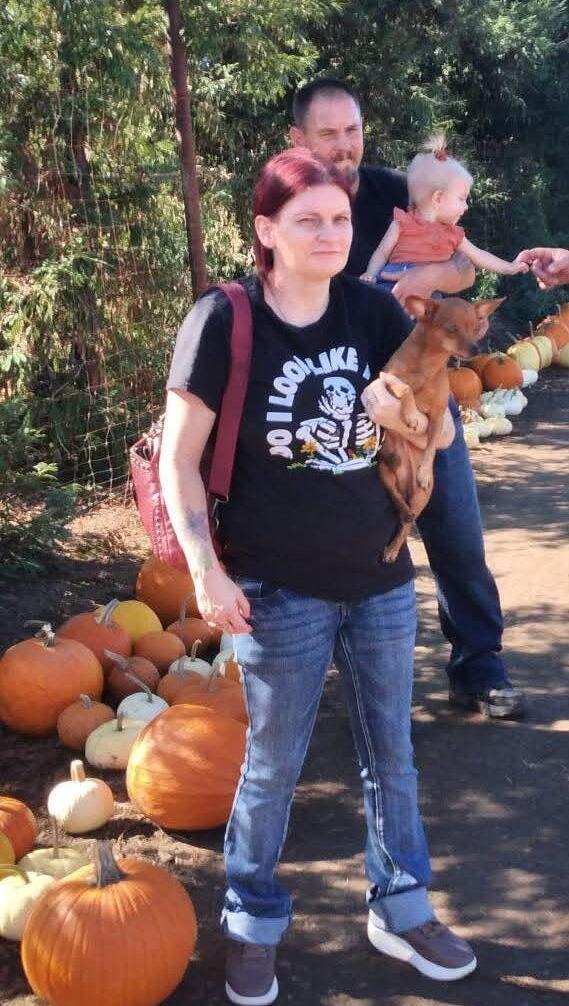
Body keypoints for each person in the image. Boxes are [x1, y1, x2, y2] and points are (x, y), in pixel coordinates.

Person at [160, 148, 477, 1006]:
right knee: (271, 766)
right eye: (309, 220)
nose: (331, 233)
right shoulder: (223, 320)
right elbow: (180, 460)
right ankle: (252, 921)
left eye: (339, 218)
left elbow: (441, 437)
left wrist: (403, 411)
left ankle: (401, 905)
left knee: (392, 756)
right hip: (275, 586)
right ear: (266, 230)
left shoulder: (372, 312)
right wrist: (205, 571)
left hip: (379, 577)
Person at [290, 78, 526, 720]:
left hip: (424, 392)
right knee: (345, 543)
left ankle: (480, 667)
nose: (344, 146)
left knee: (456, 532)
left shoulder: (397, 192)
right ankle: (331, 691)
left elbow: (464, 265)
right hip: (336, 402)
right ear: (298, 139)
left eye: (353, 130)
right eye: (328, 134)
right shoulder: (290, 205)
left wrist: (428, 275)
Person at [360, 133, 528, 288]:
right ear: (438, 198)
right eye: (462, 198)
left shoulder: (453, 234)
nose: (466, 206)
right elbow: (382, 253)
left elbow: (479, 256)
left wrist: (509, 267)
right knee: (379, 302)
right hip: (392, 283)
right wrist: (371, 274)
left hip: (429, 294)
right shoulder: (402, 223)